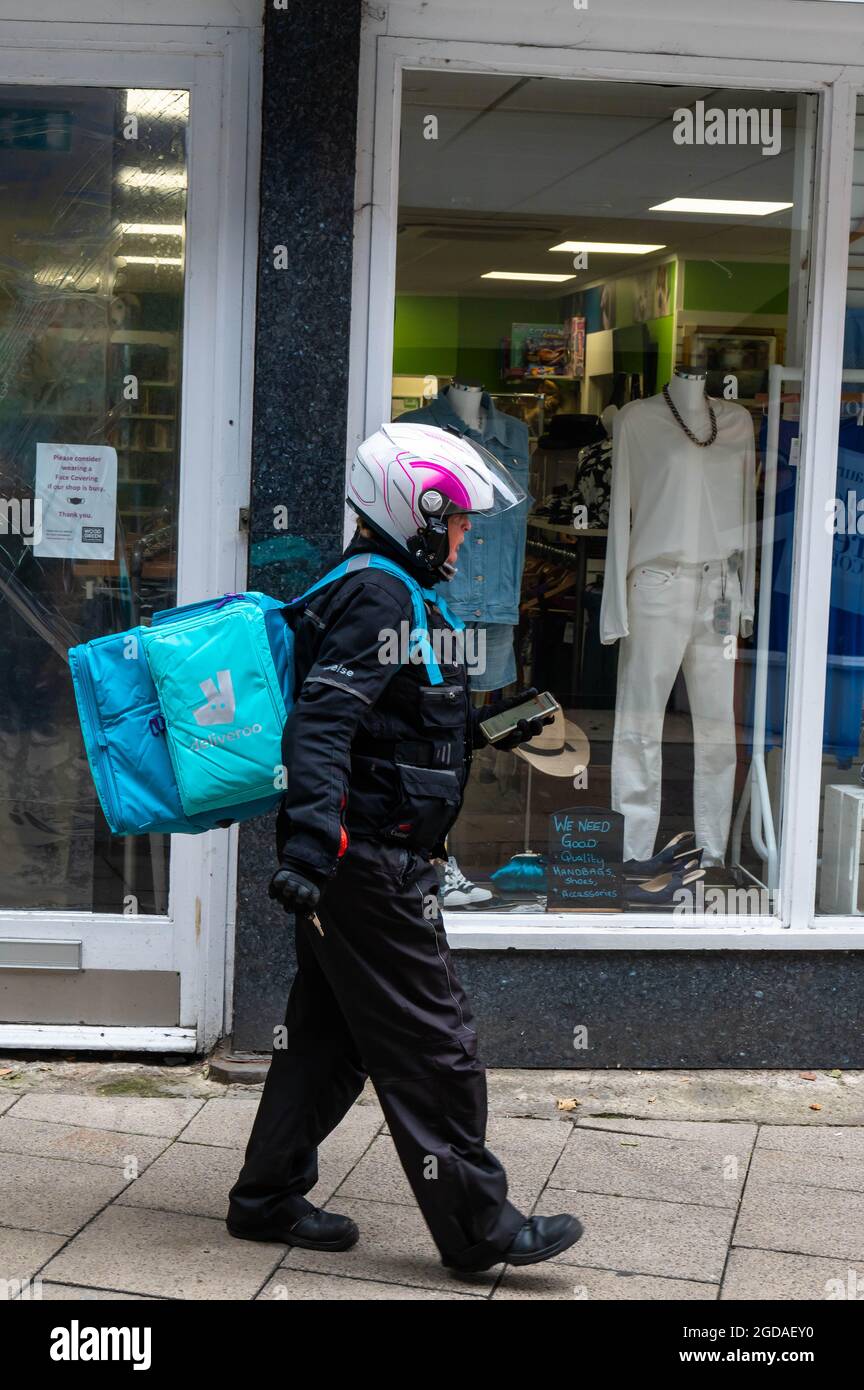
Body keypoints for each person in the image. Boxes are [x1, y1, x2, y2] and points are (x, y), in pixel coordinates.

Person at [226, 422, 583, 1276]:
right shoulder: (381, 594)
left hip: (362, 860)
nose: (464, 537)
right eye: (456, 521)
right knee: (435, 1041)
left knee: (329, 1037)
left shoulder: (386, 589)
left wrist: (487, 722)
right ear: (414, 509)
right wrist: (311, 851)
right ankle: (479, 1230)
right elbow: (323, 720)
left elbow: (395, 719)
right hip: (368, 863)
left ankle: (265, 1196)